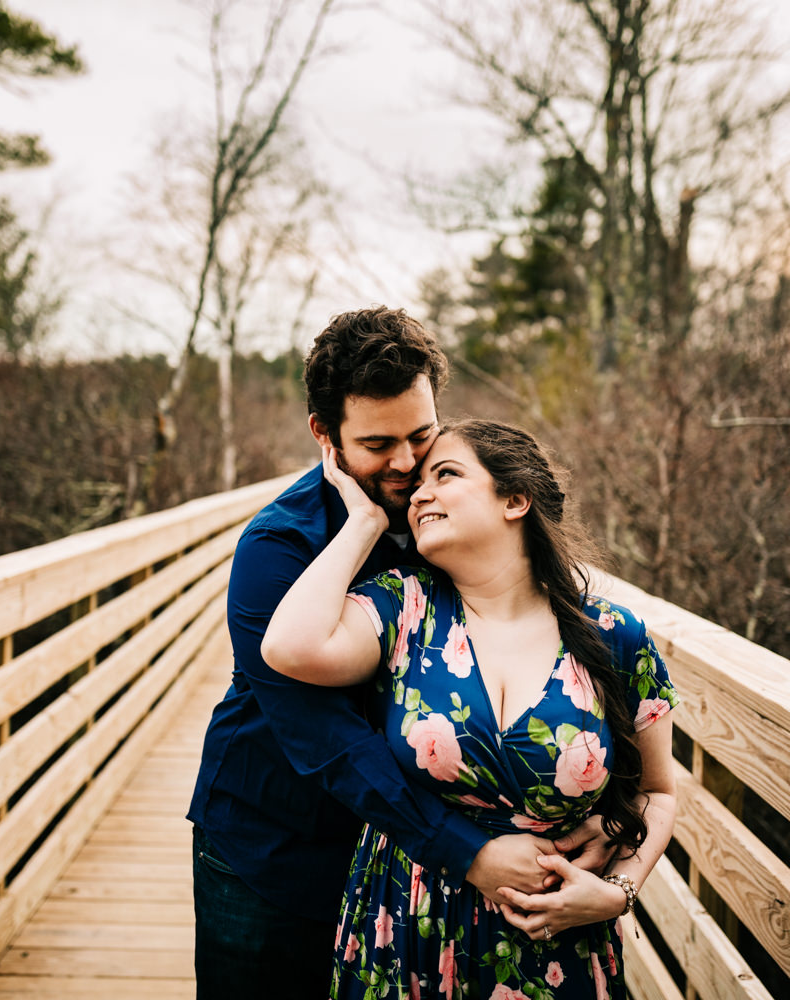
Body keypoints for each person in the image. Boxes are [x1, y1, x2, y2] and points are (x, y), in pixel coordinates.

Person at [187, 308, 612, 1000]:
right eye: (379, 444)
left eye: (422, 434)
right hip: (274, 849)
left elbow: (544, 637)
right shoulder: (277, 550)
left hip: (402, 865)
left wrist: (589, 810)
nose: (409, 463)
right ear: (325, 435)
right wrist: (468, 851)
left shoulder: (448, 514)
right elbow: (327, 741)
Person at [263, 418, 680, 999]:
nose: (420, 493)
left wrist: (618, 892)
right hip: (406, 929)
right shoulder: (403, 607)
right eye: (418, 487)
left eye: (446, 474)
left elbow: (657, 791)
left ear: (515, 499)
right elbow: (288, 647)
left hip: (553, 944)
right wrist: (364, 523)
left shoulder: (614, 634)